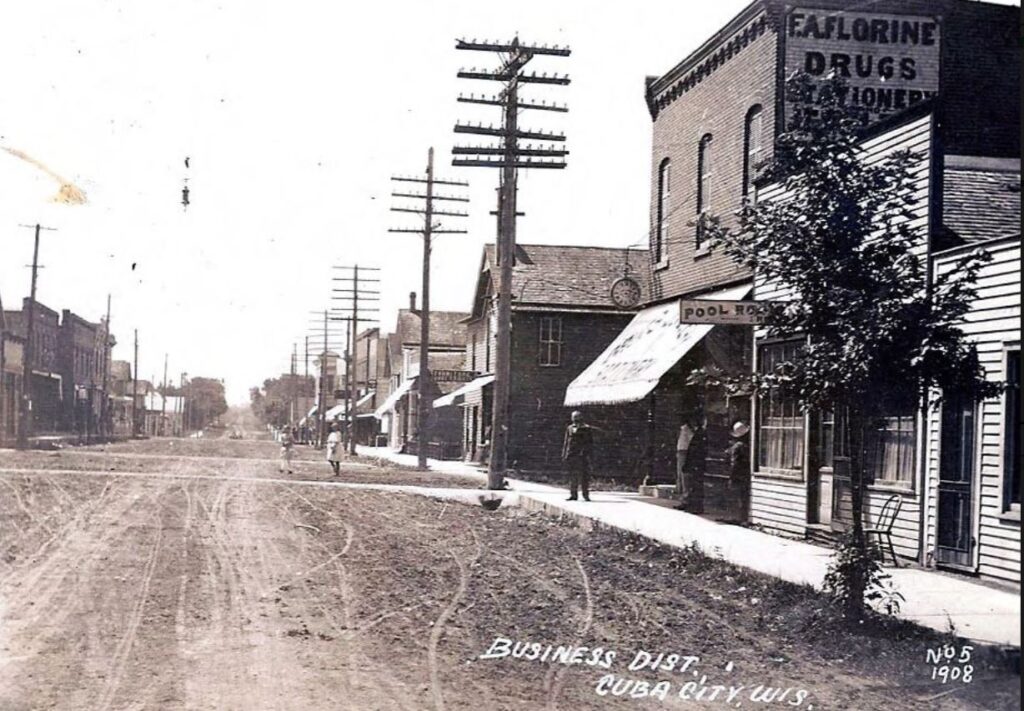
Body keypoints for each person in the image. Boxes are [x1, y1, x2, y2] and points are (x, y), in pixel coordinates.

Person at [674, 415, 706, 512]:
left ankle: (689, 501)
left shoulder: (692, 431)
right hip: (684, 453)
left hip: (687, 453)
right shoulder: (686, 429)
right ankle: (685, 500)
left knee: (688, 480)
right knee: (682, 478)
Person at [561, 410, 594, 502]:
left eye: (577, 417)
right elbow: (566, 442)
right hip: (572, 455)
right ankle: (573, 494)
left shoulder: (586, 428)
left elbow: (589, 443)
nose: (575, 419)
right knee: (573, 476)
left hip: (583, 455)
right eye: (573, 417)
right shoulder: (570, 428)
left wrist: (587, 454)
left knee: (584, 476)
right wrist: (565, 454)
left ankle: (585, 495)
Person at [725, 421, 751, 521]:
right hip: (745, 473)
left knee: (737, 496)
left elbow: (734, 463)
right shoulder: (748, 446)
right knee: (743, 497)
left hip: (737, 474)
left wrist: (731, 476)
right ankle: (742, 518)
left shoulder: (737, 447)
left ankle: (737, 518)